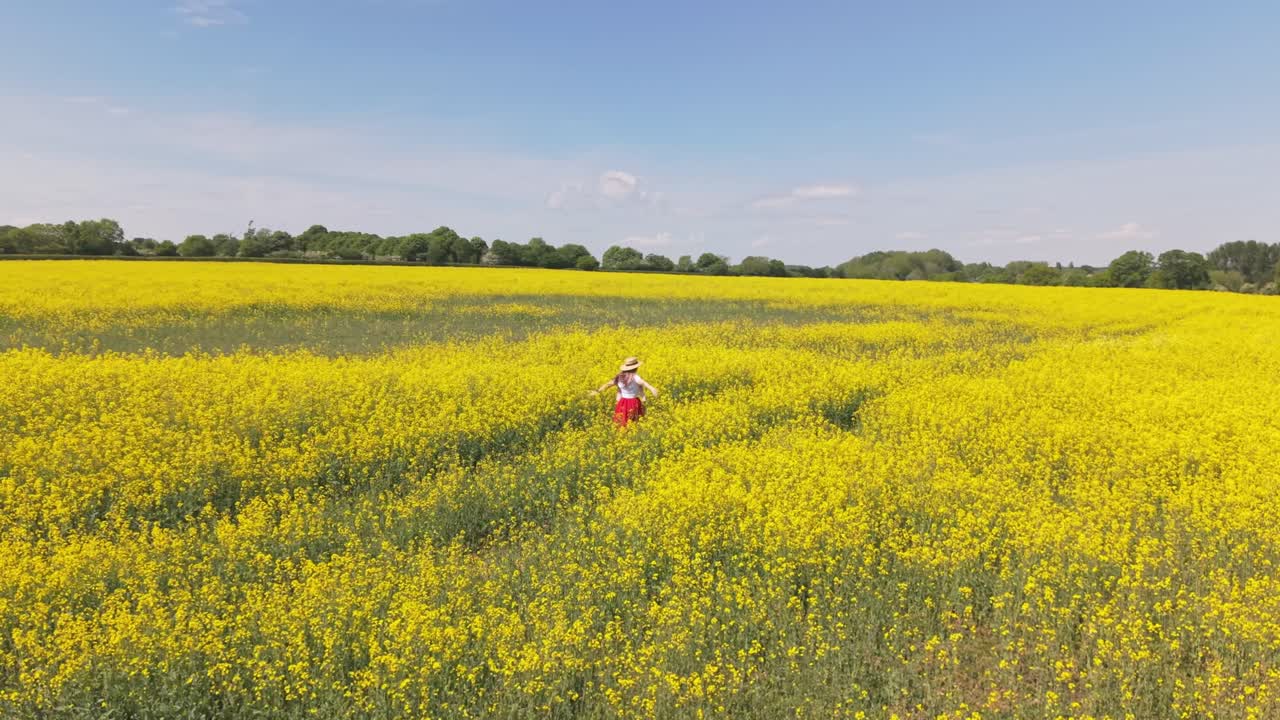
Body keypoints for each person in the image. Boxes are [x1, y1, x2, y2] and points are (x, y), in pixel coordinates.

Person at [591, 356, 658, 427]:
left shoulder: (620, 377)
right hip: (633, 403)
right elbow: (643, 383)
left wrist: (598, 391)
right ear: (636, 368)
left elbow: (608, 384)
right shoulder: (635, 377)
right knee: (634, 423)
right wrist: (652, 388)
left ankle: (622, 436)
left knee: (622, 422)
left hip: (622, 403)